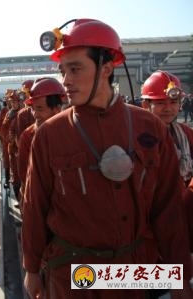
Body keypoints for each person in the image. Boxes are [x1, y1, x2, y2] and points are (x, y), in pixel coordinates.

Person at [22, 18, 192, 299]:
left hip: (132, 273)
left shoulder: (150, 129)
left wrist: (180, 278)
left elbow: (168, 210)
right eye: (63, 70)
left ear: (107, 68)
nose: (66, 80)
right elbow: (34, 207)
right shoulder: (50, 135)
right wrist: (31, 269)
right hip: (75, 274)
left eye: (75, 69)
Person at [17, 77, 65, 211]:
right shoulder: (28, 136)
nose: (34, 114)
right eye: (32, 108)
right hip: (38, 204)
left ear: (57, 109)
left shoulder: (71, 132)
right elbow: (25, 175)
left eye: (39, 108)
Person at [141, 70, 193, 184]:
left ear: (180, 104)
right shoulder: (137, 137)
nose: (168, 108)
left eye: (173, 102)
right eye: (160, 103)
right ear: (145, 105)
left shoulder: (187, 134)